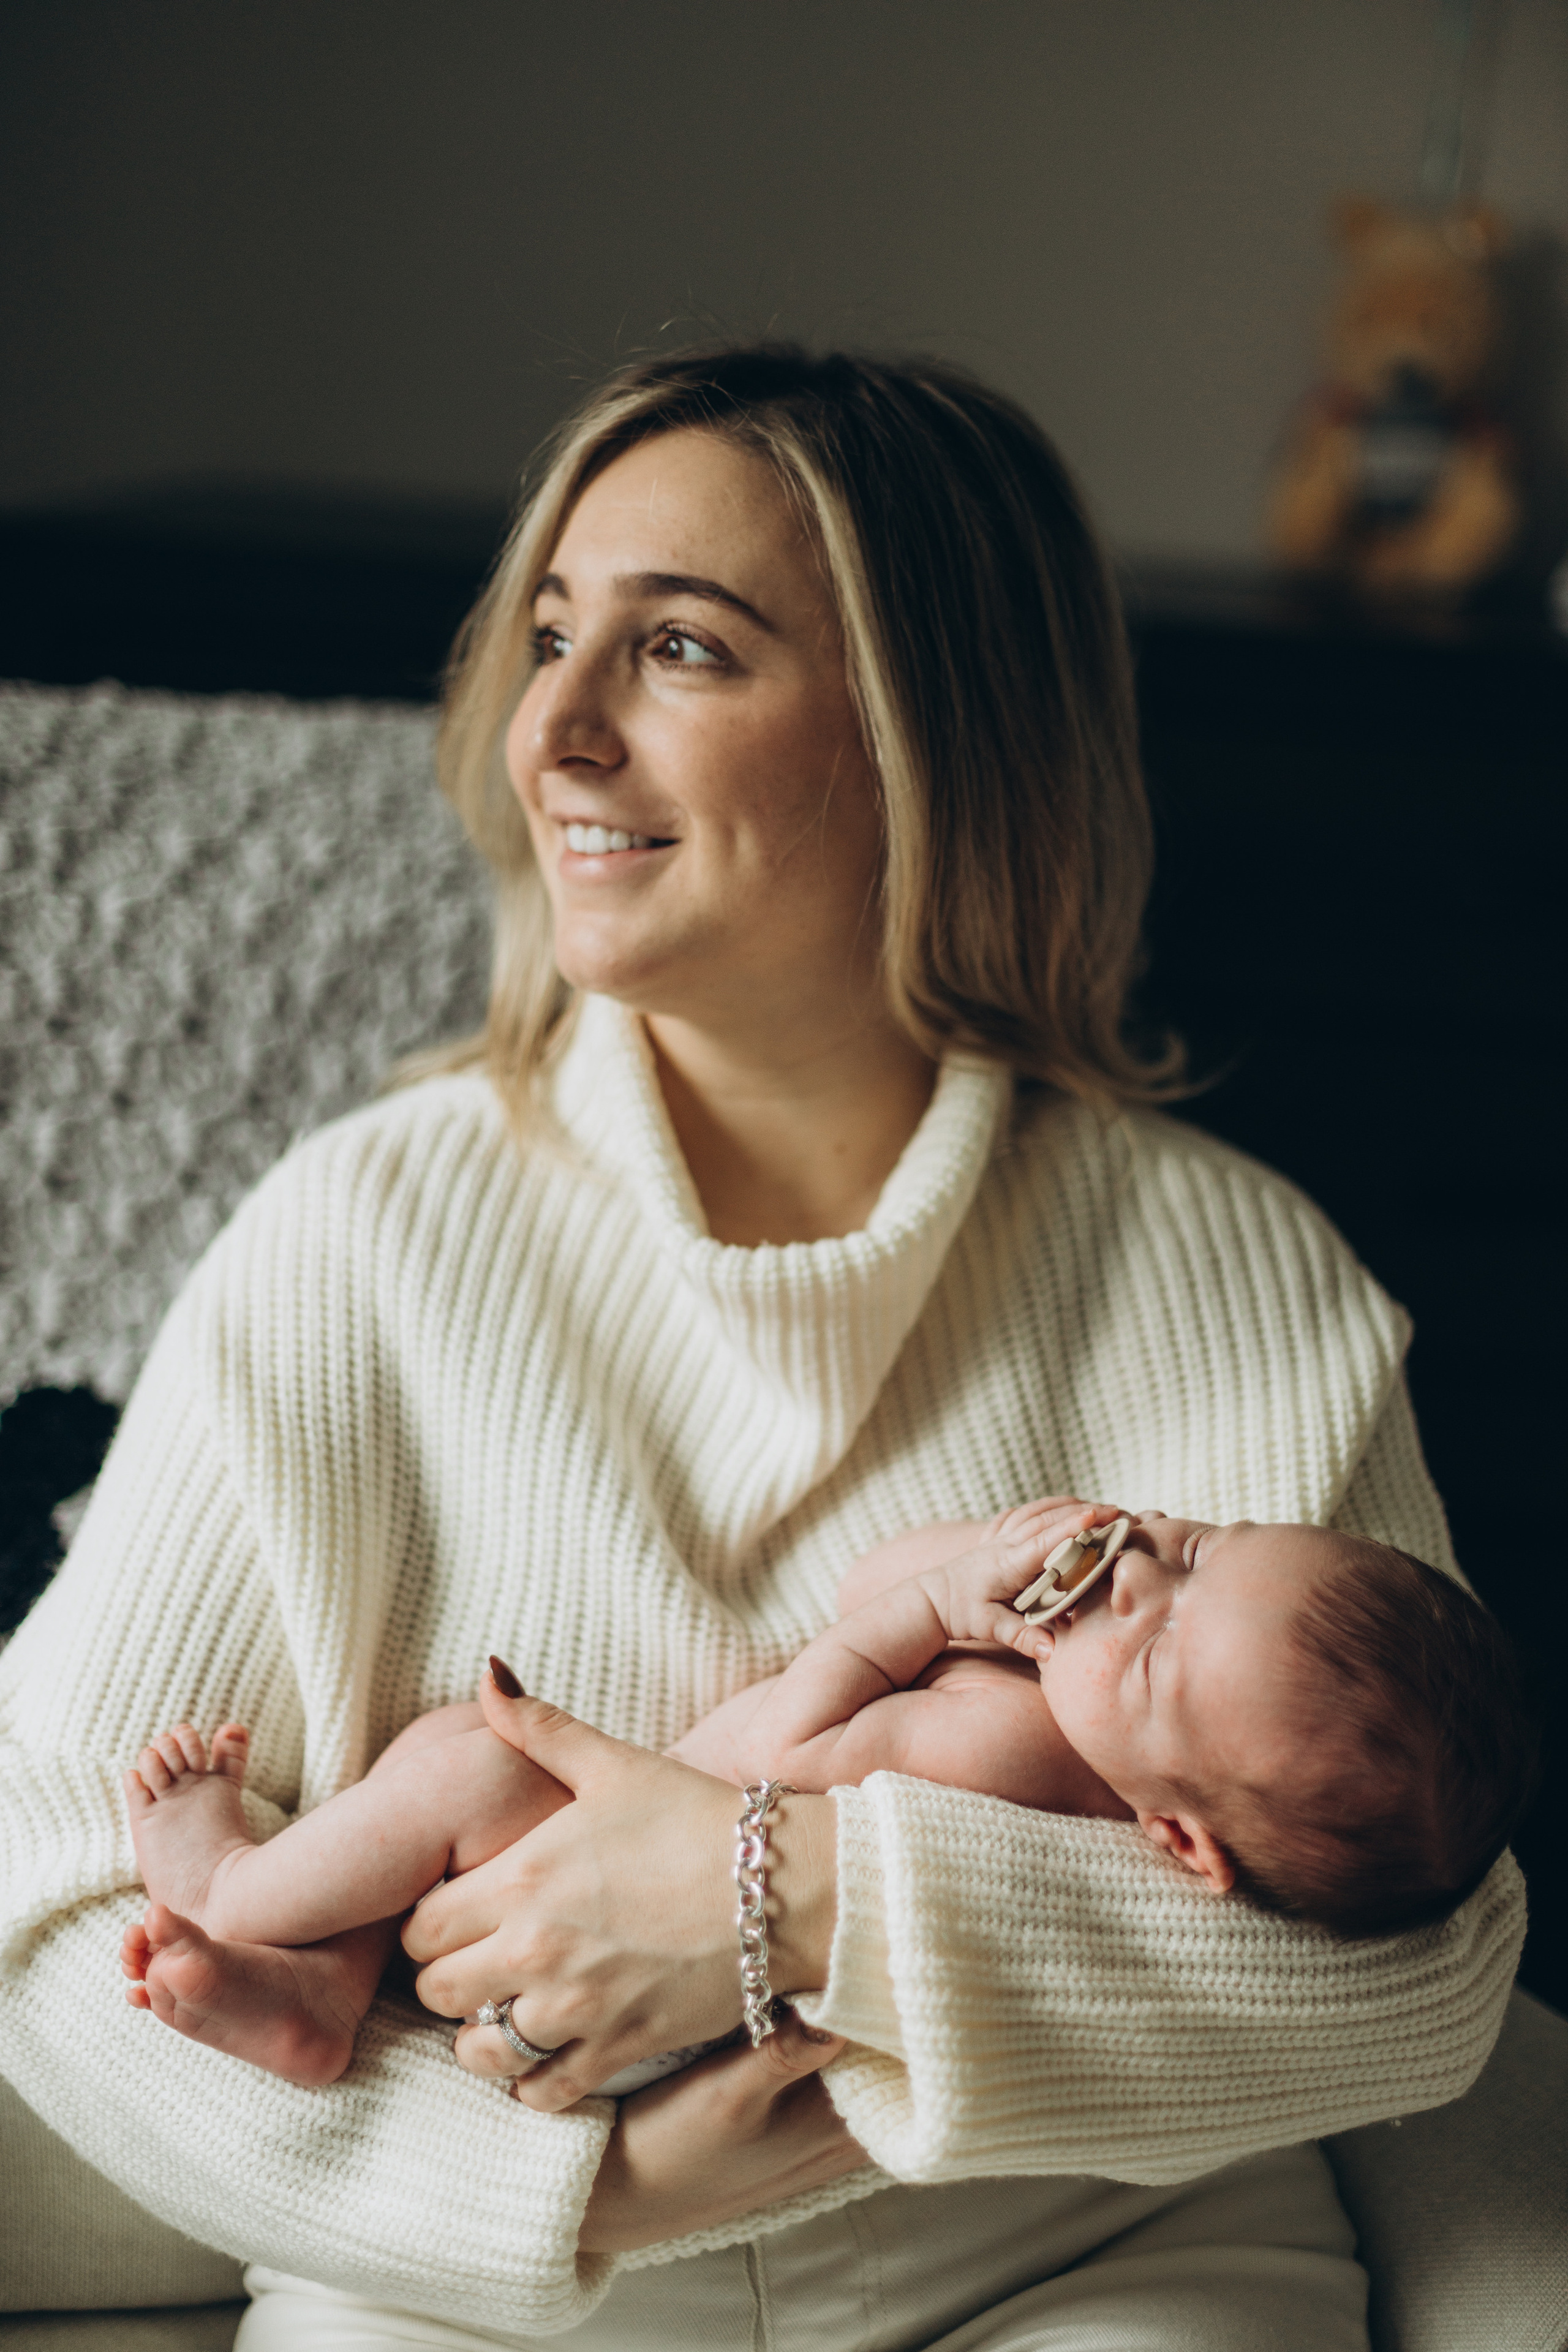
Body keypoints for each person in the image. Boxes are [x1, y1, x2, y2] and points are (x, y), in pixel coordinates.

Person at [0, 346, 1526, 2352]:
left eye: (684, 650)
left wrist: (800, 1904)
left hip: (1092, 2268)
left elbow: (1415, 1971)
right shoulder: (358, 1239)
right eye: (552, 636)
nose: (554, 728)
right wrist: (587, 2190)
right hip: (488, 2299)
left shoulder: (1227, 1271)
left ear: (926, 740)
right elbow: (48, 1898)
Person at [117, 1496, 1536, 2092]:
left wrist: (918, 1614)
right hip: (659, 1986)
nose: (1141, 1568)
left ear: (1175, 1838)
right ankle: (313, 1992)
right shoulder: (1074, 1717)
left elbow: (765, 1786)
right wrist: (981, 1571)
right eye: (1204, 1541)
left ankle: (239, 1891)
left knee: (466, 1757)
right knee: (445, 1796)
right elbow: (875, 1601)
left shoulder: (998, 1757)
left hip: (645, 1970)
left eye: (1154, 1643)